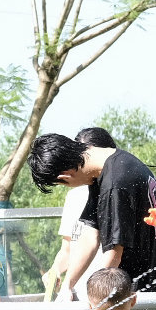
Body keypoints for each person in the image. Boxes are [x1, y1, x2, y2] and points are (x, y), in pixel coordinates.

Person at [28, 132, 156, 295]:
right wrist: (67, 285)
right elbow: (90, 235)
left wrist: (93, 298)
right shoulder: (105, 167)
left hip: (146, 290)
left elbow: (114, 255)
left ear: (65, 176)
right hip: (146, 282)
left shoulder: (115, 183)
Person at [42, 127, 115, 299]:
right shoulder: (74, 196)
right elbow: (67, 249)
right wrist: (55, 272)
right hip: (76, 293)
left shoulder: (115, 189)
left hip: (106, 294)